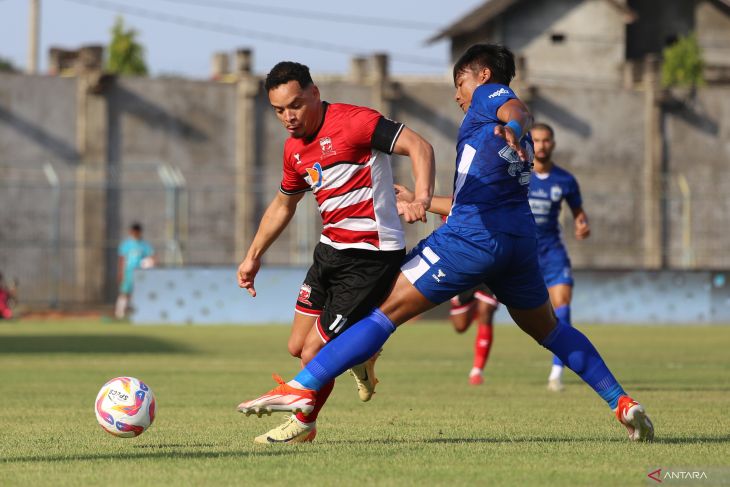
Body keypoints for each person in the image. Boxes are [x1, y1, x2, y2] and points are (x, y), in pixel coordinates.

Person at [238, 44, 654, 442]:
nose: (457, 94)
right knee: (549, 329)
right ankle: (621, 402)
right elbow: (472, 198)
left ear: (483, 75)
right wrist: (421, 200)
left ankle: (302, 388)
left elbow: (516, 109)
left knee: (382, 314)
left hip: (470, 240)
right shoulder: (510, 142)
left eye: (460, 82)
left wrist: (511, 123)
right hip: (517, 241)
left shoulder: (490, 100)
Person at [236, 61, 434, 444]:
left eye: (295, 105)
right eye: (278, 110)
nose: (288, 117)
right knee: (296, 346)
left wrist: (422, 197)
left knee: (313, 353)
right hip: (330, 250)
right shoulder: (294, 150)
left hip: (370, 256)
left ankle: (303, 425)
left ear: (314, 93)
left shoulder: (355, 122)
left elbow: (419, 146)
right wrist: (253, 255)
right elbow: (283, 204)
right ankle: (359, 353)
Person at [528, 123, 591, 391]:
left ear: (553, 144)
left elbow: (579, 213)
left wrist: (581, 224)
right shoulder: (519, 175)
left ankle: (556, 371)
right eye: (537, 140)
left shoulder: (565, 180)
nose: (541, 145)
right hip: (524, 254)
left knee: (562, 305)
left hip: (553, 253)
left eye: (546, 140)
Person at [115, 222, 155, 319]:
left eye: (137, 232)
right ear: (131, 232)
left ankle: (136, 313)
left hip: (141, 273)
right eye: (134, 232)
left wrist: (149, 263)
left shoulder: (145, 245)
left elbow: (151, 258)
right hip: (128, 272)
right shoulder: (126, 244)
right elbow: (122, 259)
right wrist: (120, 272)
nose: (136, 234)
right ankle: (119, 313)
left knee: (138, 293)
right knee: (124, 292)